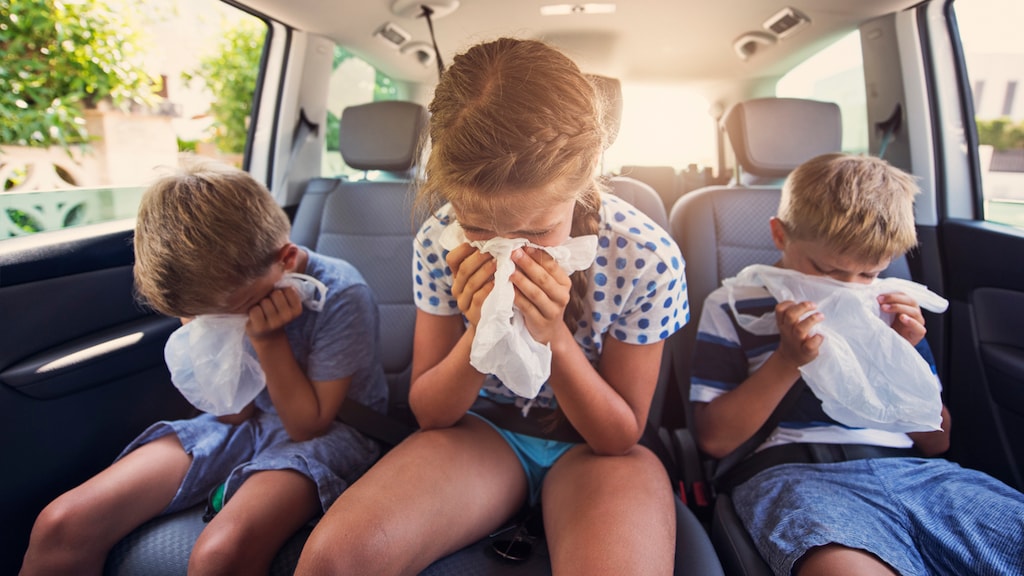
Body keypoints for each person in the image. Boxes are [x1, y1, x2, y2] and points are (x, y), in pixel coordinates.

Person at [295, 37, 688, 576]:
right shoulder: (439, 242)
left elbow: (619, 436)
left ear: (587, 172)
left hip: (593, 448)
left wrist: (553, 336)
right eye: (479, 228)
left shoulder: (647, 258)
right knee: (333, 562)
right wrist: (480, 330)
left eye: (538, 231)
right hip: (482, 431)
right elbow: (431, 413)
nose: (510, 252)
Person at [20, 161, 388, 576]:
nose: (217, 323)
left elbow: (308, 427)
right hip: (245, 422)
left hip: (333, 432)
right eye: (202, 317)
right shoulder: (210, 295)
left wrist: (268, 341)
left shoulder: (341, 293)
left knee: (220, 553)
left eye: (230, 312)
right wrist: (206, 328)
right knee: (61, 524)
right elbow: (232, 412)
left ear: (285, 259)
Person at [689, 153, 1024, 576]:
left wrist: (899, 355)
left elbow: (936, 442)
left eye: (867, 275)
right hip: (796, 475)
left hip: (916, 474)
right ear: (779, 235)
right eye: (827, 270)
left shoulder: (888, 308)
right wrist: (789, 360)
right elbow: (715, 440)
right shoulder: (733, 305)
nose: (847, 288)